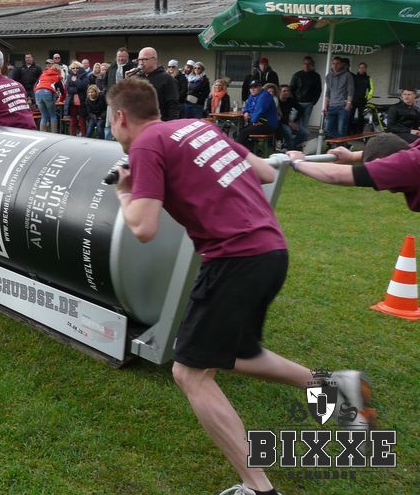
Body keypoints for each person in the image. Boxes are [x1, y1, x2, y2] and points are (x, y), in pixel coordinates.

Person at [107, 77, 374, 495]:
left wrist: (125, 193)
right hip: (271, 252)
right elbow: (264, 171)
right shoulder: (199, 126)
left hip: (234, 260)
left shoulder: (145, 146)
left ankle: (259, 488)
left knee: (190, 372)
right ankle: (335, 389)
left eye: (111, 120)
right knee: (237, 353)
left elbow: (143, 227)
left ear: (121, 117)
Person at [287, 132, 419, 212]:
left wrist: (298, 163)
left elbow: (338, 176)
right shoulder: (412, 155)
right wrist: (352, 156)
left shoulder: (407, 164)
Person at [135, 47, 180, 121]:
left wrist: (170, 124)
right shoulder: (137, 78)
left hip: (160, 122)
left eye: (144, 59)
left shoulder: (167, 79)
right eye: (139, 60)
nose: (141, 63)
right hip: (140, 122)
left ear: (154, 60)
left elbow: (173, 106)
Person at [236, 80, 278, 151]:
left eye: (255, 87)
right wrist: (246, 112)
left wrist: (253, 121)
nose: (252, 89)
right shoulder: (252, 95)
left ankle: (238, 152)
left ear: (261, 87)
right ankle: (253, 150)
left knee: (242, 134)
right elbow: (247, 106)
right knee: (237, 133)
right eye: (251, 87)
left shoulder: (265, 96)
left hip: (268, 124)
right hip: (258, 122)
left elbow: (259, 110)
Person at [325, 56, 355, 139]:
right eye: (333, 63)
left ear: (341, 64)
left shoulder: (347, 75)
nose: (335, 65)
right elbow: (328, 92)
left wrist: (348, 104)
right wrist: (325, 106)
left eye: (337, 64)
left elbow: (350, 90)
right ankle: (340, 141)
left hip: (343, 106)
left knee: (341, 129)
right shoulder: (328, 76)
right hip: (332, 106)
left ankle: (341, 143)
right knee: (328, 128)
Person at [288, 56, 322, 130]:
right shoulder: (297, 75)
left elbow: (318, 90)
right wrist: (294, 101)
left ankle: (303, 135)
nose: (306, 65)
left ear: (312, 64)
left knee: (305, 122)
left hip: (309, 103)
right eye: (305, 63)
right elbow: (291, 89)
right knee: (293, 119)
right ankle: (292, 134)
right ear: (302, 64)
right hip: (297, 102)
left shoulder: (316, 76)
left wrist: (314, 102)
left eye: (308, 64)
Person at [34, 59, 64, 133]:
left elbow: (35, 86)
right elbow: (63, 90)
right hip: (47, 93)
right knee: (52, 115)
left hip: (37, 93)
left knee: (44, 115)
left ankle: (42, 133)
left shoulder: (43, 74)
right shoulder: (57, 76)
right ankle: (54, 134)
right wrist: (61, 99)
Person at [276, 84, 309, 150]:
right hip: (279, 123)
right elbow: (278, 116)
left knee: (305, 134)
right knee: (288, 132)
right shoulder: (276, 101)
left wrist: (294, 120)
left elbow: (301, 110)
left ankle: (288, 146)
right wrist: (289, 122)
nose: (287, 92)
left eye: (288, 91)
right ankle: (289, 148)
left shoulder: (291, 100)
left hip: (289, 122)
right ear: (279, 92)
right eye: (284, 91)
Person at [65, 61, 89, 136]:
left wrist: (76, 80)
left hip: (82, 100)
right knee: (73, 120)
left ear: (80, 68)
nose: (75, 69)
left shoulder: (85, 76)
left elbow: (83, 86)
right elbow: (68, 88)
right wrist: (76, 89)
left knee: (82, 120)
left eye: (77, 68)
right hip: (72, 101)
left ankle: (84, 136)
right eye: (73, 68)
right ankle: (72, 135)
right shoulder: (69, 76)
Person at [350, 62, 374, 134]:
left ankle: (359, 132)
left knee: (361, 117)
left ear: (366, 69)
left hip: (362, 100)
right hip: (353, 100)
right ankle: (350, 131)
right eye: (360, 67)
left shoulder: (368, 78)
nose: (361, 69)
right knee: (350, 116)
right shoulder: (354, 77)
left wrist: (368, 97)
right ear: (358, 68)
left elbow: (371, 88)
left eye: (363, 68)